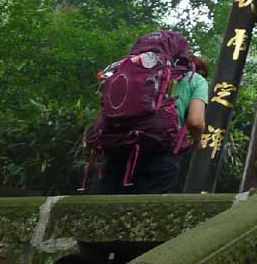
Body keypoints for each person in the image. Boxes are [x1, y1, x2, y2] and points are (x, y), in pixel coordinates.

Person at [88, 32, 207, 194]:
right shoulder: (196, 80)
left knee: (105, 210)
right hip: (160, 152)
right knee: (145, 213)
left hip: (119, 148)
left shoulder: (134, 70)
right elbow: (195, 121)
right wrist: (197, 140)